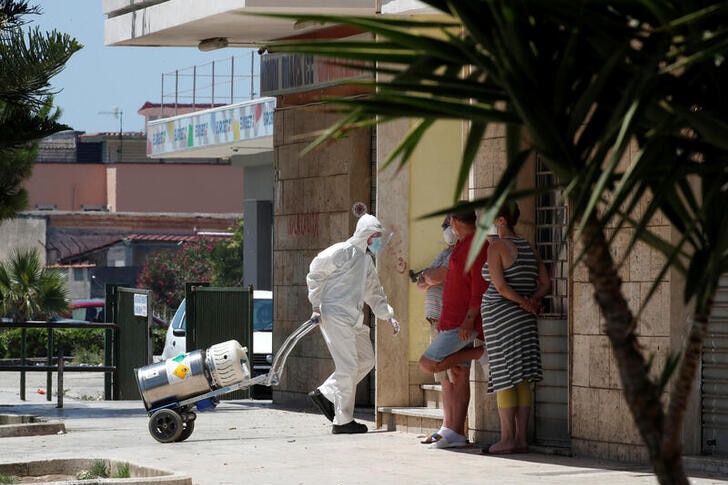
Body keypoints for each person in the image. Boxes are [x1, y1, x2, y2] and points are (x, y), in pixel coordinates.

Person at [306, 212, 400, 434]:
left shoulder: (366, 260)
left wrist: (387, 315)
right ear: (365, 235)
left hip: (354, 318)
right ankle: (343, 421)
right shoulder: (341, 251)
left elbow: (374, 292)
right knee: (348, 367)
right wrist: (316, 305)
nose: (378, 240)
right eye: (375, 235)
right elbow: (315, 273)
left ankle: (326, 393)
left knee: (366, 360)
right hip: (336, 315)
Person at [480, 202, 551, 455]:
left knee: (505, 376)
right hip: (524, 318)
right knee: (521, 378)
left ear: (500, 220)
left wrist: (523, 302)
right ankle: (520, 438)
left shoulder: (497, 247)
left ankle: (507, 438)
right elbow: (545, 283)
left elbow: (500, 287)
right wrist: (531, 301)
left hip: (501, 318)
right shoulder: (529, 247)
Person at [419, 206, 489, 448]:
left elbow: (479, 285)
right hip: (449, 320)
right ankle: (454, 431)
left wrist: (469, 319)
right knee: (456, 372)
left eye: (449, 222)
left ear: (456, 221)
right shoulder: (460, 245)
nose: (448, 227)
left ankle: (479, 353)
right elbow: (428, 280)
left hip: (461, 322)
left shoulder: (476, 246)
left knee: (427, 364)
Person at [416, 216, 456, 384]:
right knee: (441, 374)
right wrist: (429, 275)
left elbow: (437, 276)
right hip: (434, 319)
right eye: (444, 226)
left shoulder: (456, 253)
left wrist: (428, 274)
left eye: (448, 226)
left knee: (450, 369)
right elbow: (421, 283)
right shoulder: (444, 253)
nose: (446, 229)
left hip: (445, 318)